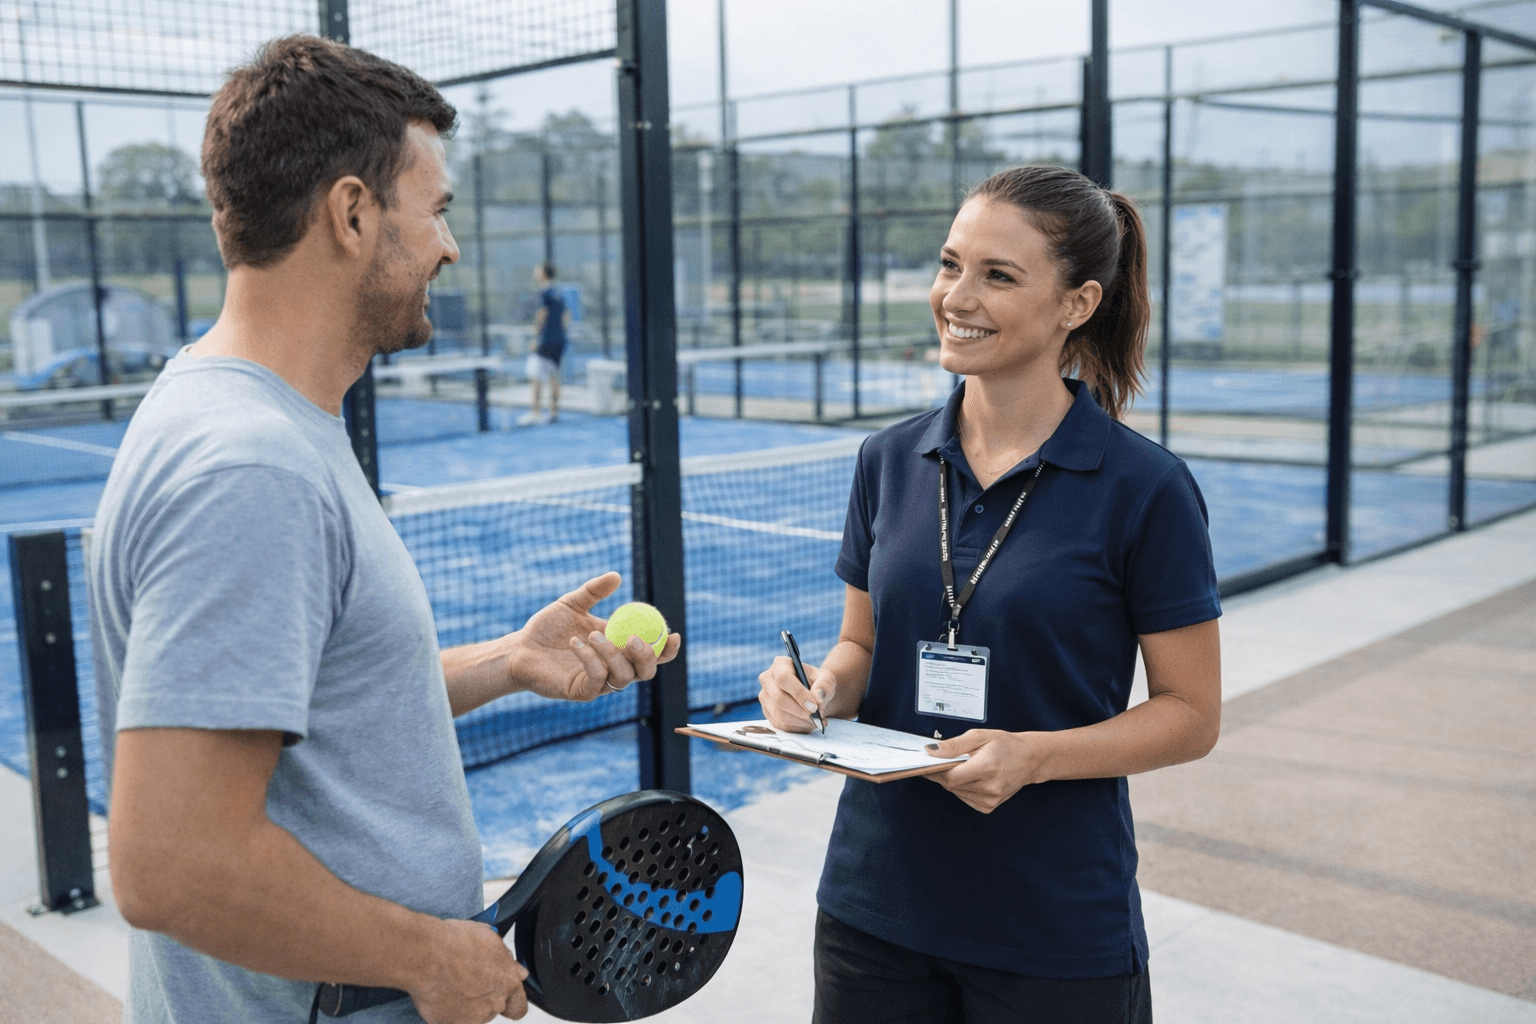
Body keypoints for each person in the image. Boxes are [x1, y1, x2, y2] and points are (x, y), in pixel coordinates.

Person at [86, 36, 680, 1024]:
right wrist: (432, 956)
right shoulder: (253, 466)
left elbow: (309, 712)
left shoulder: (236, 415)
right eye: (436, 209)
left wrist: (509, 659)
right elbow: (171, 863)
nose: (449, 245)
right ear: (354, 213)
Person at [757, 164, 1222, 1024]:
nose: (955, 296)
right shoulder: (887, 460)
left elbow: (1192, 714)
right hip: (874, 907)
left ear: (1077, 305)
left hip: (1051, 930)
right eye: (949, 264)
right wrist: (820, 691)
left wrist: (1034, 756)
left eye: (997, 275)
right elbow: (860, 646)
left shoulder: (1146, 488)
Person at [519, 261, 569, 424]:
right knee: (554, 376)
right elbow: (566, 316)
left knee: (535, 376)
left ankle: (535, 412)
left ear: (543, 274)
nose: (535, 272)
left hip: (545, 341)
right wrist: (561, 333)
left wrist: (535, 337)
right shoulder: (559, 293)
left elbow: (542, 314)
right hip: (559, 341)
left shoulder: (545, 292)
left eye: (537, 270)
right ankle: (554, 412)